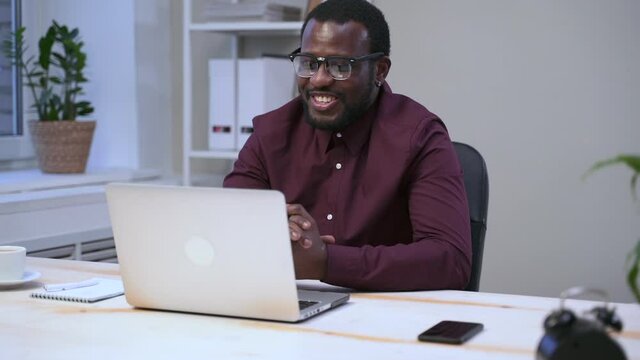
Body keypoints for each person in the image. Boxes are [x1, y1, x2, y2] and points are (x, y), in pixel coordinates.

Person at [223, 0, 471, 291]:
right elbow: (228, 231)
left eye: (340, 66)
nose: (318, 79)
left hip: (391, 316)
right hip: (288, 311)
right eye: (309, 63)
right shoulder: (271, 134)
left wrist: (327, 261)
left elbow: (450, 260)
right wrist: (273, 230)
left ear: (380, 70)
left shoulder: (419, 136)